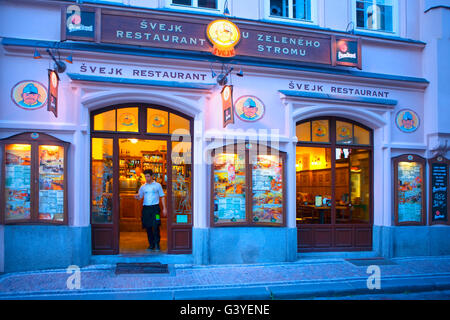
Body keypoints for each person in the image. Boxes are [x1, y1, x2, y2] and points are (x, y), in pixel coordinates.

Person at [135, 169, 167, 251]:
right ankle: (151, 245)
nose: (147, 178)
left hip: (155, 209)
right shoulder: (143, 187)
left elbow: (162, 196)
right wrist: (137, 197)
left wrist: (164, 208)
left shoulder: (157, 185)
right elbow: (140, 197)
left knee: (156, 226)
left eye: (148, 176)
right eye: (145, 176)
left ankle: (157, 244)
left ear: (152, 176)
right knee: (148, 227)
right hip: (146, 209)